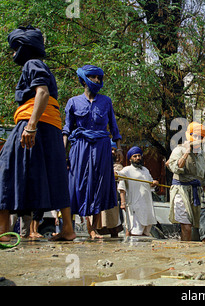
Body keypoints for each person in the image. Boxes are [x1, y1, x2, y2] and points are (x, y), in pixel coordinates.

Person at [0, 26, 76, 242]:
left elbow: (41, 92)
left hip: (34, 124)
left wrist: (31, 126)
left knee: (6, 167)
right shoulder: (41, 66)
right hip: (50, 127)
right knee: (55, 173)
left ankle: (3, 230)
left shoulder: (31, 64)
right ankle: (68, 229)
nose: (13, 54)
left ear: (24, 47)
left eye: (15, 48)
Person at [63, 65, 123, 239]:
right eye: (93, 77)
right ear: (84, 80)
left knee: (99, 184)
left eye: (99, 77)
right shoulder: (73, 102)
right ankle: (76, 227)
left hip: (102, 147)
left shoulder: (106, 101)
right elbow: (67, 128)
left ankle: (93, 228)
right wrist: (63, 150)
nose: (97, 80)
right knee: (78, 184)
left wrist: (118, 147)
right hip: (80, 146)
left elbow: (114, 126)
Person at [166, 122, 205, 241]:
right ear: (188, 135)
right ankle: (185, 252)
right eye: (194, 136)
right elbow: (176, 168)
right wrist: (186, 151)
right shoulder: (178, 150)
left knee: (192, 225)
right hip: (181, 191)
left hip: (195, 192)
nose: (197, 139)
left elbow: (204, 178)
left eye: (200, 137)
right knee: (186, 226)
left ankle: (186, 248)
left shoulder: (202, 156)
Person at [117, 146, 158, 236]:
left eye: (139, 156)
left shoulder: (145, 170)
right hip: (134, 204)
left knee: (145, 231)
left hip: (146, 204)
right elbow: (121, 187)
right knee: (133, 230)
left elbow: (150, 184)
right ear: (130, 159)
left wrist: (154, 183)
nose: (138, 158)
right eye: (135, 156)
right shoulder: (127, 170)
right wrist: (123, 202)